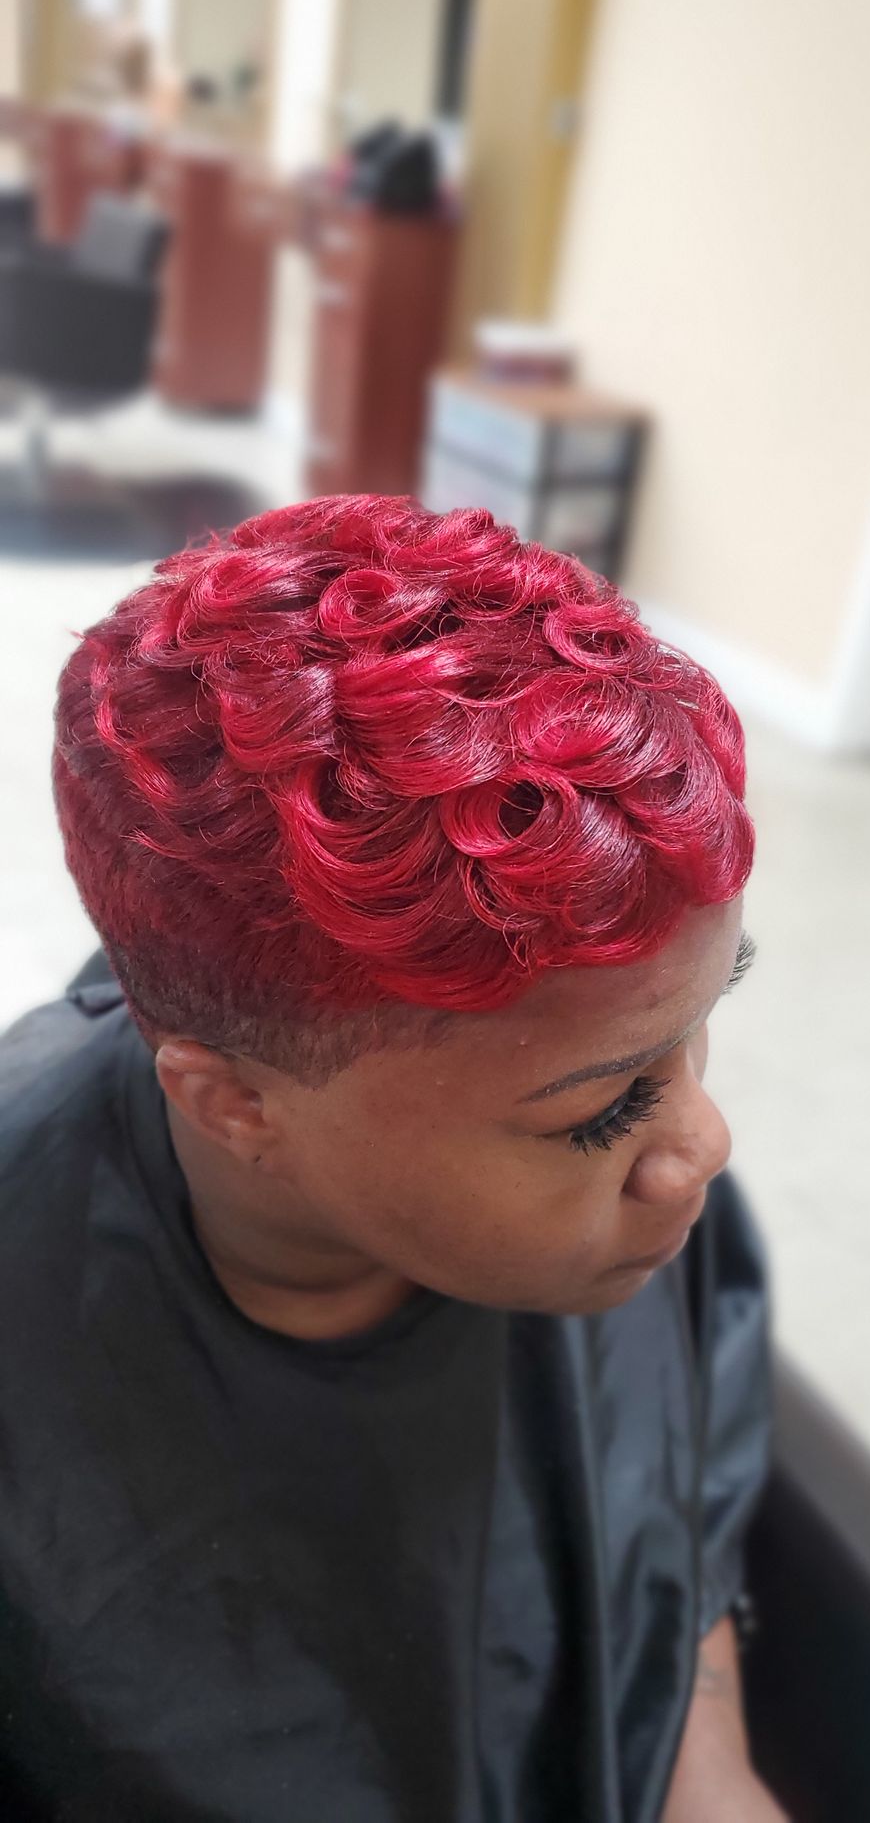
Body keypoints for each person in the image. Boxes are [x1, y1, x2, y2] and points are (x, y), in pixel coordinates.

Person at [0, 497, 784, 1821]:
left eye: (698, 1030)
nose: (699, 1147)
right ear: (235, 1107)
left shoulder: (626, 1180)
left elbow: (670, 1517)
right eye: (603, 1112)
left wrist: (707, 1768)